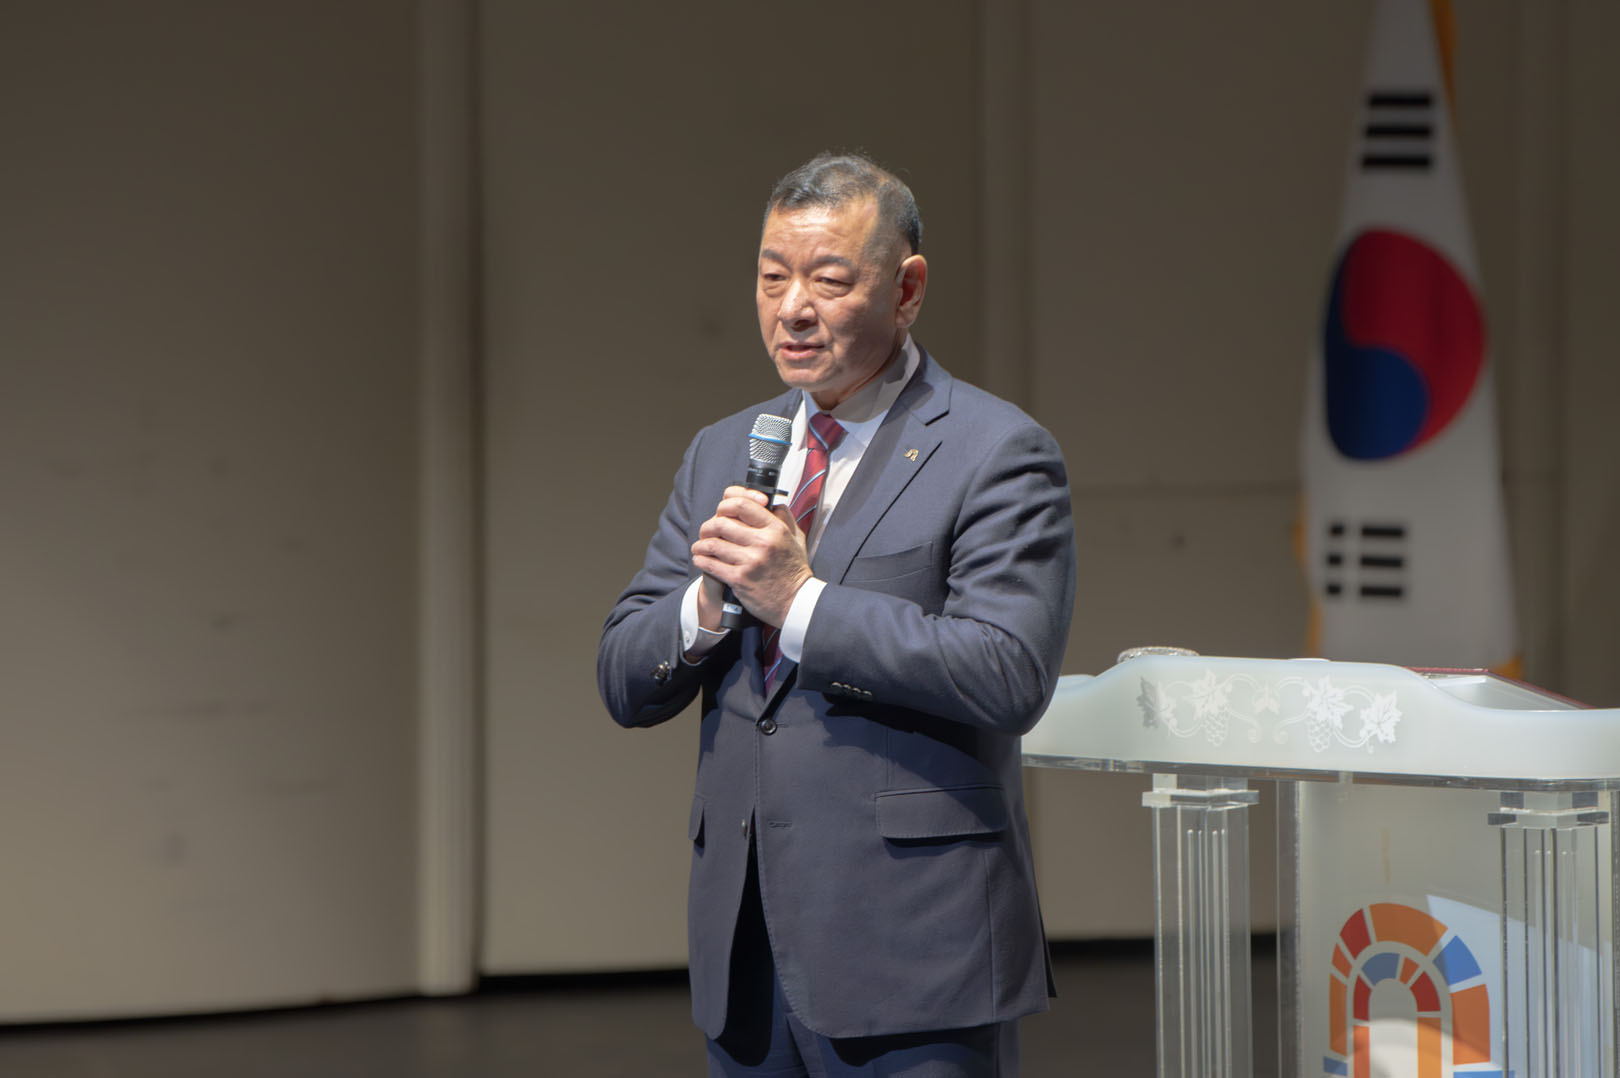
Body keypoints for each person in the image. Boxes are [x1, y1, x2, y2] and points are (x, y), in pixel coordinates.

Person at [597, 151, 1076, 1077]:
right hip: (745, 944)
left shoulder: (995, 451)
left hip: (914, 946)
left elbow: (1008, 672)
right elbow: (623, 675)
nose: (792, 309)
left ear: (907, 291)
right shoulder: (722, 451)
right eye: (772, 277)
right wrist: (708, 603)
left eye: (828, 280)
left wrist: (800, 602)